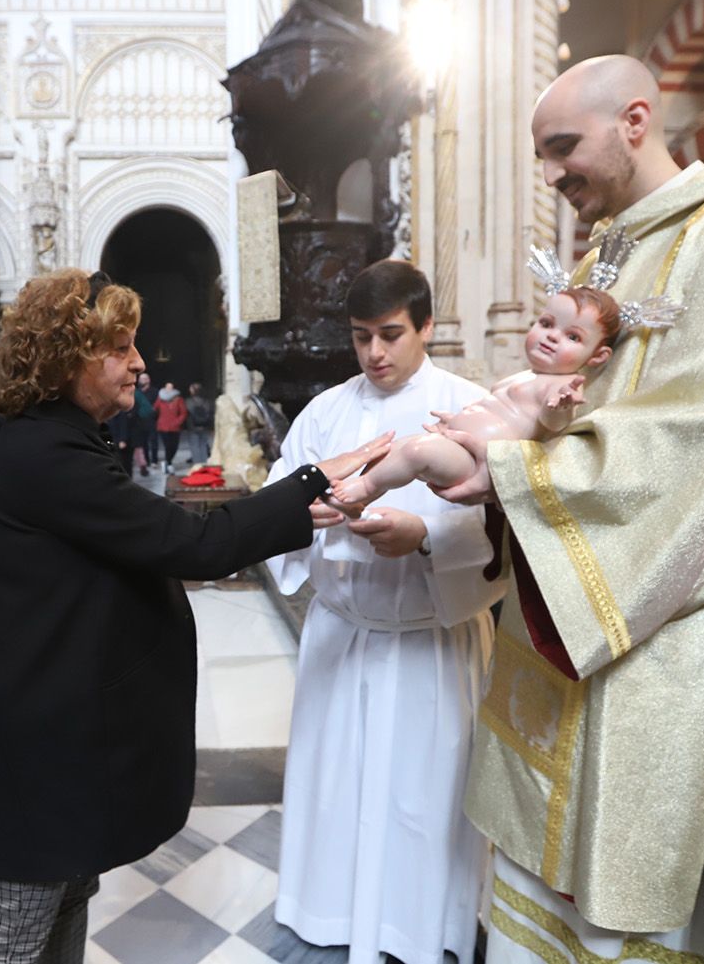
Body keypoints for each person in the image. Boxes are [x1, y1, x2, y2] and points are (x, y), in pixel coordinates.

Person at [436, 55, 704, 963]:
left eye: (564, 147)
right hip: (594, 595)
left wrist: (519, 472)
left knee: (633, 878)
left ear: (635, 120)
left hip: (678, 604)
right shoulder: (612, 251)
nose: (553, 174)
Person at [0, 268, 390, 964]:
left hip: (53, 734)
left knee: (65, 898)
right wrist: (311, 478)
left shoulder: (48, 440)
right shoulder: (46, 456)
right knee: (9, 936)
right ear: (67, 356)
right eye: (120, 347)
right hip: (37, 748)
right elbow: (190, 542)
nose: (137, 363)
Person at [264, 259, 507, 964]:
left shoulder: (470, 407)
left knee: (422, 802)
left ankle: (418, 927)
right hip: (341, 635)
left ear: (426, 326)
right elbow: (283, 494)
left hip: (430, 638)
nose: (374, 352)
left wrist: (426, 537)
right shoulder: (327, 410)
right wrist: (307, 511)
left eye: (392, 334)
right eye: (361, 336)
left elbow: (503, 521)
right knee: (335, 791)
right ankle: (330, 910)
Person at [333, 288, 616, 508]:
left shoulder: (564, 386)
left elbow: (554, 423)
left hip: (477, 463)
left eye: (573, 337)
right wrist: (458, 420)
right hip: (457, 443)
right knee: (398, 447)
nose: (552, 336)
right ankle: (367, 493)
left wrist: (560, 406)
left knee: (416, 452)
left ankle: (368, 486)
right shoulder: (527, 375)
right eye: (546, 323)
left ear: (597, 356)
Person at [153, 381, 188, 473]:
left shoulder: (178, 399)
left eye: (170, 387)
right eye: (167, 387)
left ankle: (168, 462)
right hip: (163, 426)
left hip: (175, 426)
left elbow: (183, 412)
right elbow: (154, 409)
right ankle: (168, 463)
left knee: (174, 446)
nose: (169, 389)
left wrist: (178, 422)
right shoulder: (160, 398)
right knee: (167, 446)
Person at [184, 382, 214, 465]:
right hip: (205, 426)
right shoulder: (207, 402)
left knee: (194, 446)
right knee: (203, 445)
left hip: (192, 426)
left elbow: (186, 413)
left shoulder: (188, 401)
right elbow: (211, 413)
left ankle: (197, 464)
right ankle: (204, 463)